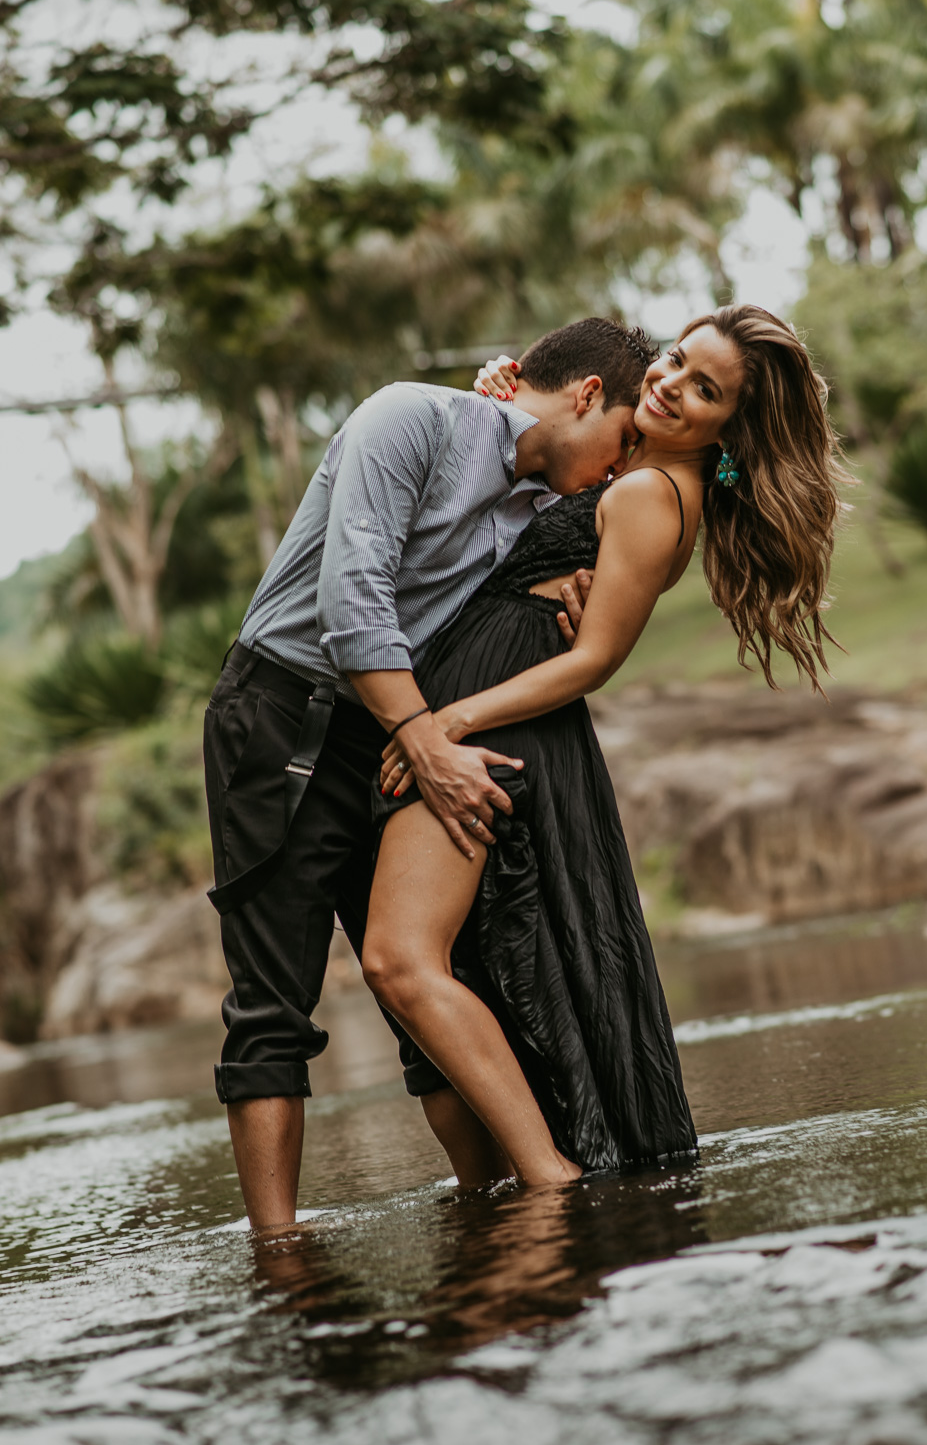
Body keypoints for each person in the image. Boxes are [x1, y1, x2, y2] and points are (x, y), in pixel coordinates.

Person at [361, 305, 844, 1192]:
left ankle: (549, 1185)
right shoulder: (631, 476)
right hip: (487, 715)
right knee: (479, 969)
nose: (667, 385)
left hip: (494, 730)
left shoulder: (653, 496)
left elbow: (594, 659)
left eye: (705, 390)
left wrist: (445, 725)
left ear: (731, 427)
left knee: (403, 958)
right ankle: (508, 1198)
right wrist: (503, 406)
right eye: (673, 360)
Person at [203, 319, 653, 1230]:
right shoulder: (409, 419)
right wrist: (425, 741)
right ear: (588, 395)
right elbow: (350, 600)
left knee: (424, 975)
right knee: (272, 1001)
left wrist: (561, 590)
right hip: (286, 716)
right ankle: (280, 1259)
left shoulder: (546, 511)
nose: (622, 468)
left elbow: (715, 475)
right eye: (623, 441)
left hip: (400, 732)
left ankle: (488, 1216)